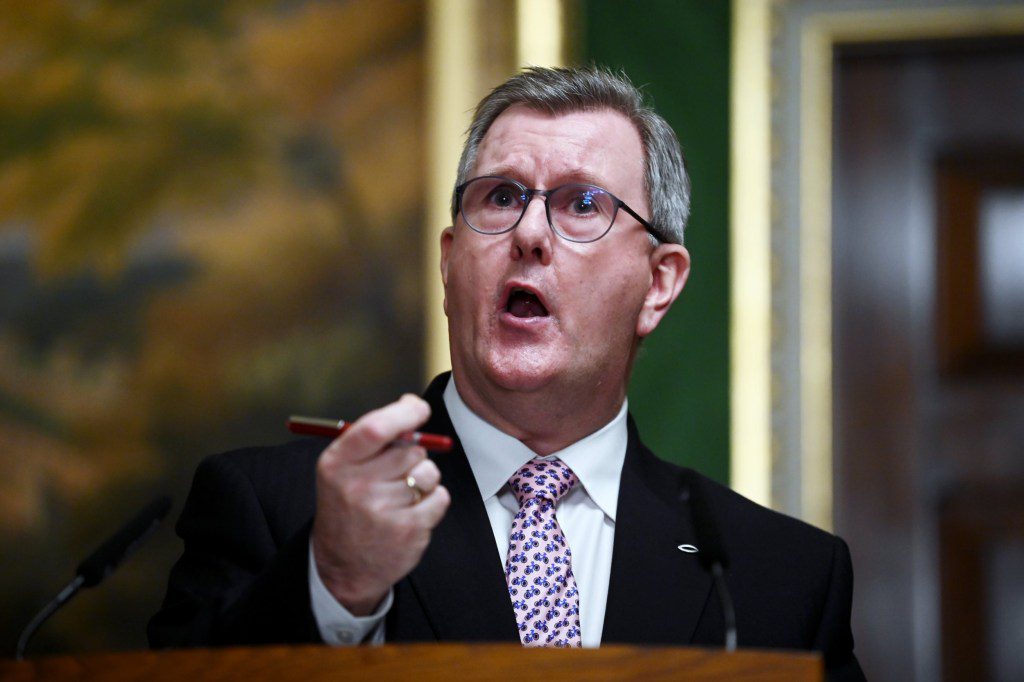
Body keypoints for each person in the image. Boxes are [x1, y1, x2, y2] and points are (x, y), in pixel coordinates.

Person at [149, 66, 865, 680]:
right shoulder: (278, 510)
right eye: (501, 197)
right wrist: (336, 581)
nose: (527, 233)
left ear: (658, 284)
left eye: (582, 204)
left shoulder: (780, 575)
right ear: (449, 260)